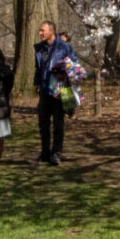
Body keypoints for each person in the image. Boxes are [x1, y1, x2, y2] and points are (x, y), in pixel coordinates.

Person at [32, 21, 77, 166]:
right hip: (45, 91)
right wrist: (37, 82)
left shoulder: (64, 47)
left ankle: (56, 153)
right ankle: (45, 152)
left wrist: (64, 72)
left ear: (51, 32)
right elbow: (38, 68)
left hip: (60, 91)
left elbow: (74, 67)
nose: (40, 33)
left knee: (58, 124)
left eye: (42, 30)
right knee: (43, 124)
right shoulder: (40, 49)